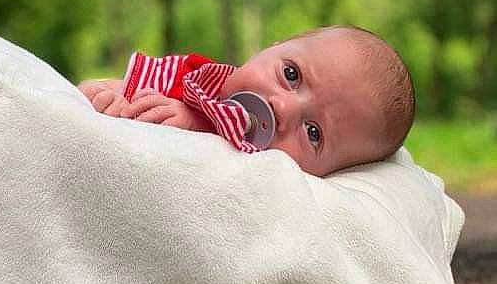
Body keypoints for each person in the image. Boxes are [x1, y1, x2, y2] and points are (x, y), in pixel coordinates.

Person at [77, 25, 415, 178]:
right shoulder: (192, 78)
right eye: (291, 75)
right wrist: (108, 97)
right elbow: (115, 90)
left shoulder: (276, 183)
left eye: (313, 132)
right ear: (271, 47)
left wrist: (200, 131)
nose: (283, 108)